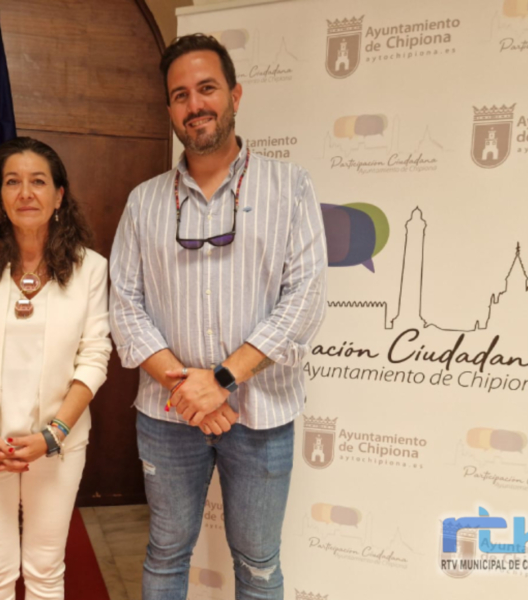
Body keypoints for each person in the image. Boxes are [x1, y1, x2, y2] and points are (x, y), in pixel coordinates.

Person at [109, 34, 327, 600]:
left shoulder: (290, 186)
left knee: (257, 565)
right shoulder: (144, 201)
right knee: (164, 553)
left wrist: (222, 380)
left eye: (206, 88)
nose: (194, 104)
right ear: (170, 111)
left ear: (234, 94)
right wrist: (188, 389)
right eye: (179, 95)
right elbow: (124, 305)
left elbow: (304, 299)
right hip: (166, 415)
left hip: (262, 415)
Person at [0, 136, 111, 600]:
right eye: (12, 182)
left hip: (57, 441)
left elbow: (95, 356)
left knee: (45, 569)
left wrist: (53, 434)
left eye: (38, 181)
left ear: (59, 196)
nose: (25, 192)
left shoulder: (90, 268)